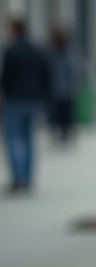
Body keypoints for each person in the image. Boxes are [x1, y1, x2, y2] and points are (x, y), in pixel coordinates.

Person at [0, 16, 52, 193]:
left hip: (15, 99)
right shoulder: (37, 49)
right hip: (33, 99)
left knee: (14, 139)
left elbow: (5, 77)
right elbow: (47, 74)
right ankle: (28, 178)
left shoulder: (11, 50)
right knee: (29, 139)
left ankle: (18, 178)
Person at [47, 25, 86, 145]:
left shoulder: (67, 50)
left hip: (64, 88)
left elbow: (76, 69)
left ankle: (65, 133)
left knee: (65, 113)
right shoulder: (53, 51)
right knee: (62, 113)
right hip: (61, 89)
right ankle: (63, 133)